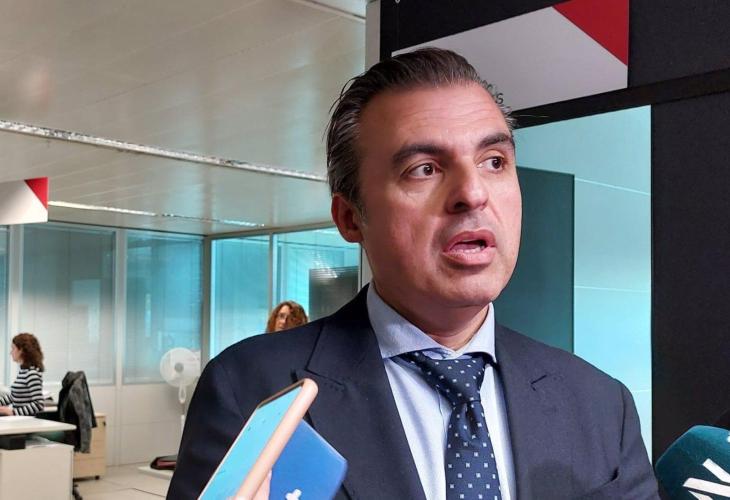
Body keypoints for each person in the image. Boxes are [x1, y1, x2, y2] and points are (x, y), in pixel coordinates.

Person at [169, 48, 659, 499]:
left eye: (494, 161)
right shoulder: (248, 390)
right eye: (424, 169)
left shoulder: (601, 404)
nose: (473, 194)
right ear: (350, 218)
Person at [0, 332, 45, 416]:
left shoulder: (31, 373)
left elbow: (38, 404)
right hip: (20, 419)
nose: (11, 352)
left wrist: (12, 412)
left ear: (21, 351)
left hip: (26, 421)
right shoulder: (24, 371)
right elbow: (14, 396)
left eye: (13, 348)